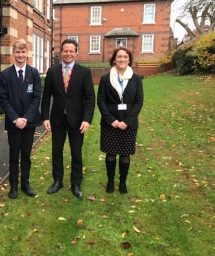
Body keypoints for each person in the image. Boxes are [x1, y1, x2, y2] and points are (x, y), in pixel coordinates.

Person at [41, 39, 95, 198]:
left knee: (76, 152)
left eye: (71, 51)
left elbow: (90, 98)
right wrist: (45, 117)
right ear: (61, 52)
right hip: (57, 119)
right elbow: (46, 97)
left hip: (77, 120)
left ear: (76, 53)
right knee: (56, 151)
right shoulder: (52, 72)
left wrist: (87, 119)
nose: (68, 54)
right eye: (65, 51)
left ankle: (76, 183)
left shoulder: (84, 72)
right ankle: (57, 181)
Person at [97, 46, 144, 194]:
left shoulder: (136, 78)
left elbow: (139, 101)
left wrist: (127, 121)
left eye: (125, 57)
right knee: (110, 155)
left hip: (128, 124)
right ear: (114, 60)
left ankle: (122, 182)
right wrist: (111, 120)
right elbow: (101, 100)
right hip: (110, 123)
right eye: (119, 57)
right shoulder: (105, 78)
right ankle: (110, 181)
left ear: (129, 60)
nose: (122, 59)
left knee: (125, 155)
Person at [0, 39, 42, 199]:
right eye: (17, 52)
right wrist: (16, 119)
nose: (20, 55)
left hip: (29, 123)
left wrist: (26, 118)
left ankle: (25, 184)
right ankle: (14, 186)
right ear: (13, 53)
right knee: (13, 155)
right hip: (13, 123)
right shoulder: (5, 75)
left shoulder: (33, 73)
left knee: (26, 155)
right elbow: (3, 99)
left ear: (27, 53)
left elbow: (36, 97)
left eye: (23, 52)